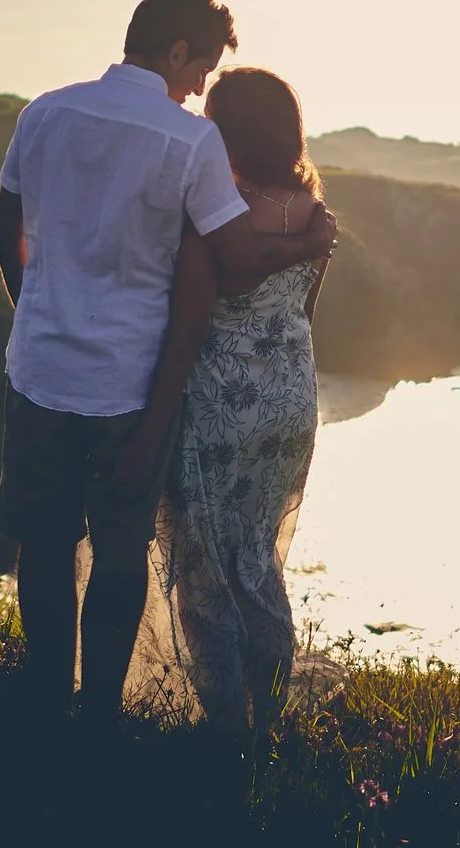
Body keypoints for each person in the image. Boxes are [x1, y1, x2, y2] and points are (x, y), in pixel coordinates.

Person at [0, 0, 336, 725]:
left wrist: (41, 316)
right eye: (202, 68)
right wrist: (309, 240)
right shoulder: (189, 140)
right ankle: (100, 712)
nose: (199, 88)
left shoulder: (43, 112)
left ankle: (47, 693)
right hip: (130, 385)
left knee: (43, 542)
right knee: (119, 549)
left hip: (41, 369)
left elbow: (4, 233)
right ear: (177, 51)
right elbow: (236, 250)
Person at [136, 66, 330, 744]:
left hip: (220, 406)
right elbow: (300, 307)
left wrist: (152, 418)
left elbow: (191, 323)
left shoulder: (214, 206)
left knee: (204, 566)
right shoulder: (314, 210)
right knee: (256, 555)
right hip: (290, 403)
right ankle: (269, 714)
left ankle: (227, 729)